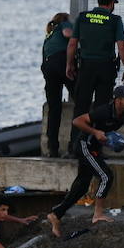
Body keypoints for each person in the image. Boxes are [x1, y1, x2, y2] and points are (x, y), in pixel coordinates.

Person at [45, 86, 124, 239]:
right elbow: (77, 121)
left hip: (95, 149)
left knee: (82, 186)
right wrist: (95, 132)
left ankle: (56, 214)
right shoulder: (103, 111)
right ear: (118, 100)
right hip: (84, 146)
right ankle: (97, 214)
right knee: (106, 176)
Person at [66, 0, 124, 151]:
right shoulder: (115, 20)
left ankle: (75, 147)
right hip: (105, 68)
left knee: (81, 106)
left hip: (86, 67)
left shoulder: (83, 17)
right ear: (111, 3)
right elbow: (122, 46)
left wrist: (69, 64)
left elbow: (72, 43)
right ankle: (96, 149)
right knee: (102, 109)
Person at [41, 11, 75, 157]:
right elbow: (68, 33)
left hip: (49, 68)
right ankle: (74, 146)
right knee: (81, 102)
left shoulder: (49, 36)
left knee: (54, 109)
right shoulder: (64, 23)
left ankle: (52, 148)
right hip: (62, 62)